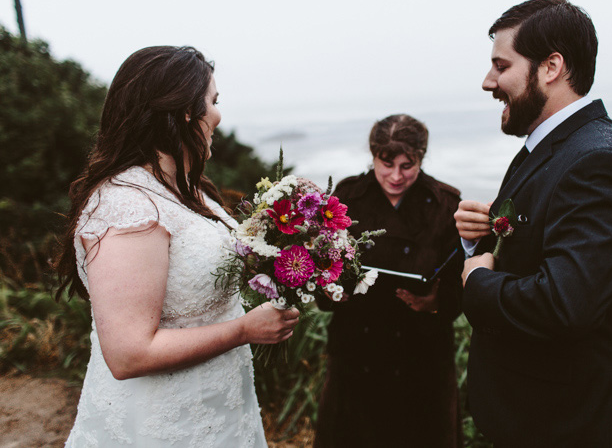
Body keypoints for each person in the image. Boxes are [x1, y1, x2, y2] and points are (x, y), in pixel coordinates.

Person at [54, 46, 300, 447]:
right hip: (161, 424)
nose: (218, 115)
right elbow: (129, 354)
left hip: (222, 408)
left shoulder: (187, 190)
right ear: (186, 111)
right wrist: (244, 330)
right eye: (213, 101)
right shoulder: (128, 206)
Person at [454, 0, 612, 447]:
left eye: (501, 66)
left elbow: (565, 303)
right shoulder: (549, 150)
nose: (488, 82)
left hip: (570, 424)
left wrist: (477, 282)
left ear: (550, 67)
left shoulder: (600, 161)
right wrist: (479, 241)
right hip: (531, 415)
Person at [314, 114, 464, 448]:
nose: (395, 176)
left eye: (407, 165)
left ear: (421, 159)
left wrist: (436, 303)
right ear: (373, 155)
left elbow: (459, 281)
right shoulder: (346, 196)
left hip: (422, 356)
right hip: (357, 353)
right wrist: (329, 293)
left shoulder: (445, 204)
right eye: (386, 163)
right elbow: (323, 267)